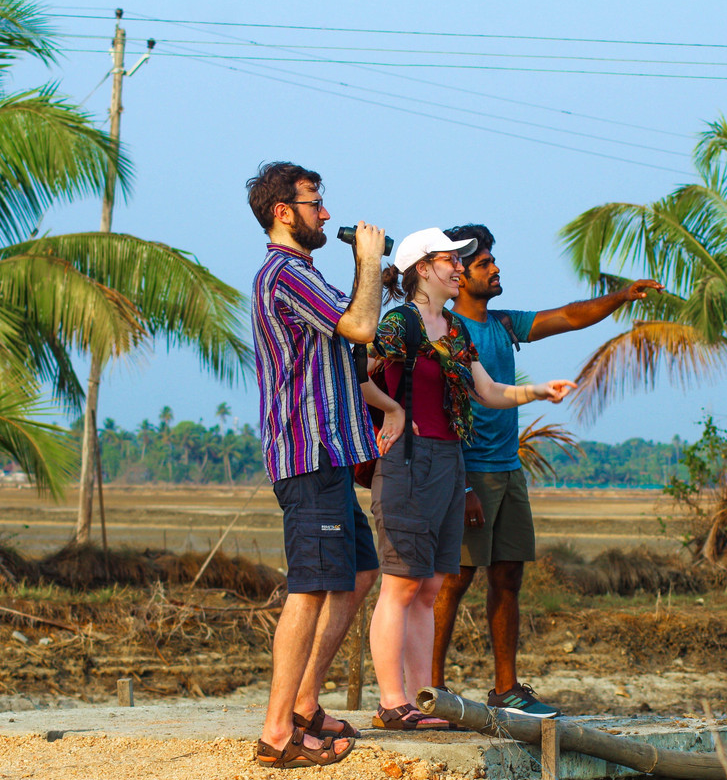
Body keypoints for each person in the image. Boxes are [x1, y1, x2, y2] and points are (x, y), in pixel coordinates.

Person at [431, 223, 664, 717]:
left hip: (508, 469)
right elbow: (441, 412)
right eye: (484, 264)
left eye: (493, 260)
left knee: (508, 576)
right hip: (468, 472)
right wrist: (463, 485)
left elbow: (569, 316)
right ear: (459, 274)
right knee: (453, 581)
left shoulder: (504, 324)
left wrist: (622, 295)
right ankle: (430, 691)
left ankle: (506, 689)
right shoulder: (445, 330)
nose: (496, 269)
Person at [360, 227, 576, 730]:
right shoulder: (399, 322)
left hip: (449, 459)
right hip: (408, 461)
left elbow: (488, 391)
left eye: (460, 261)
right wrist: (392, 409)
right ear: (422, 269)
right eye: (450, 260)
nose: (459, 267)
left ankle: (424, 700)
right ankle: (392, 702)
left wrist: (538, 391)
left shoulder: (454, 328)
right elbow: (357, 372)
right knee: (400, 585)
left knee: (430, 587)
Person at [248, 162, 386, 769]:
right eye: (315, 203)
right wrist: (370, 261)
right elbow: (360, 324)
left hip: (330, 455)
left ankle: (304, 704)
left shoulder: (304, 275)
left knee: (359, 572)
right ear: (284, 212)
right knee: (308, 589)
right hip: (307, 454)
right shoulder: (284, 275)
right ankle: (277, 733)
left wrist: (369, 276)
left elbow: (354, 335)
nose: (325, 213)